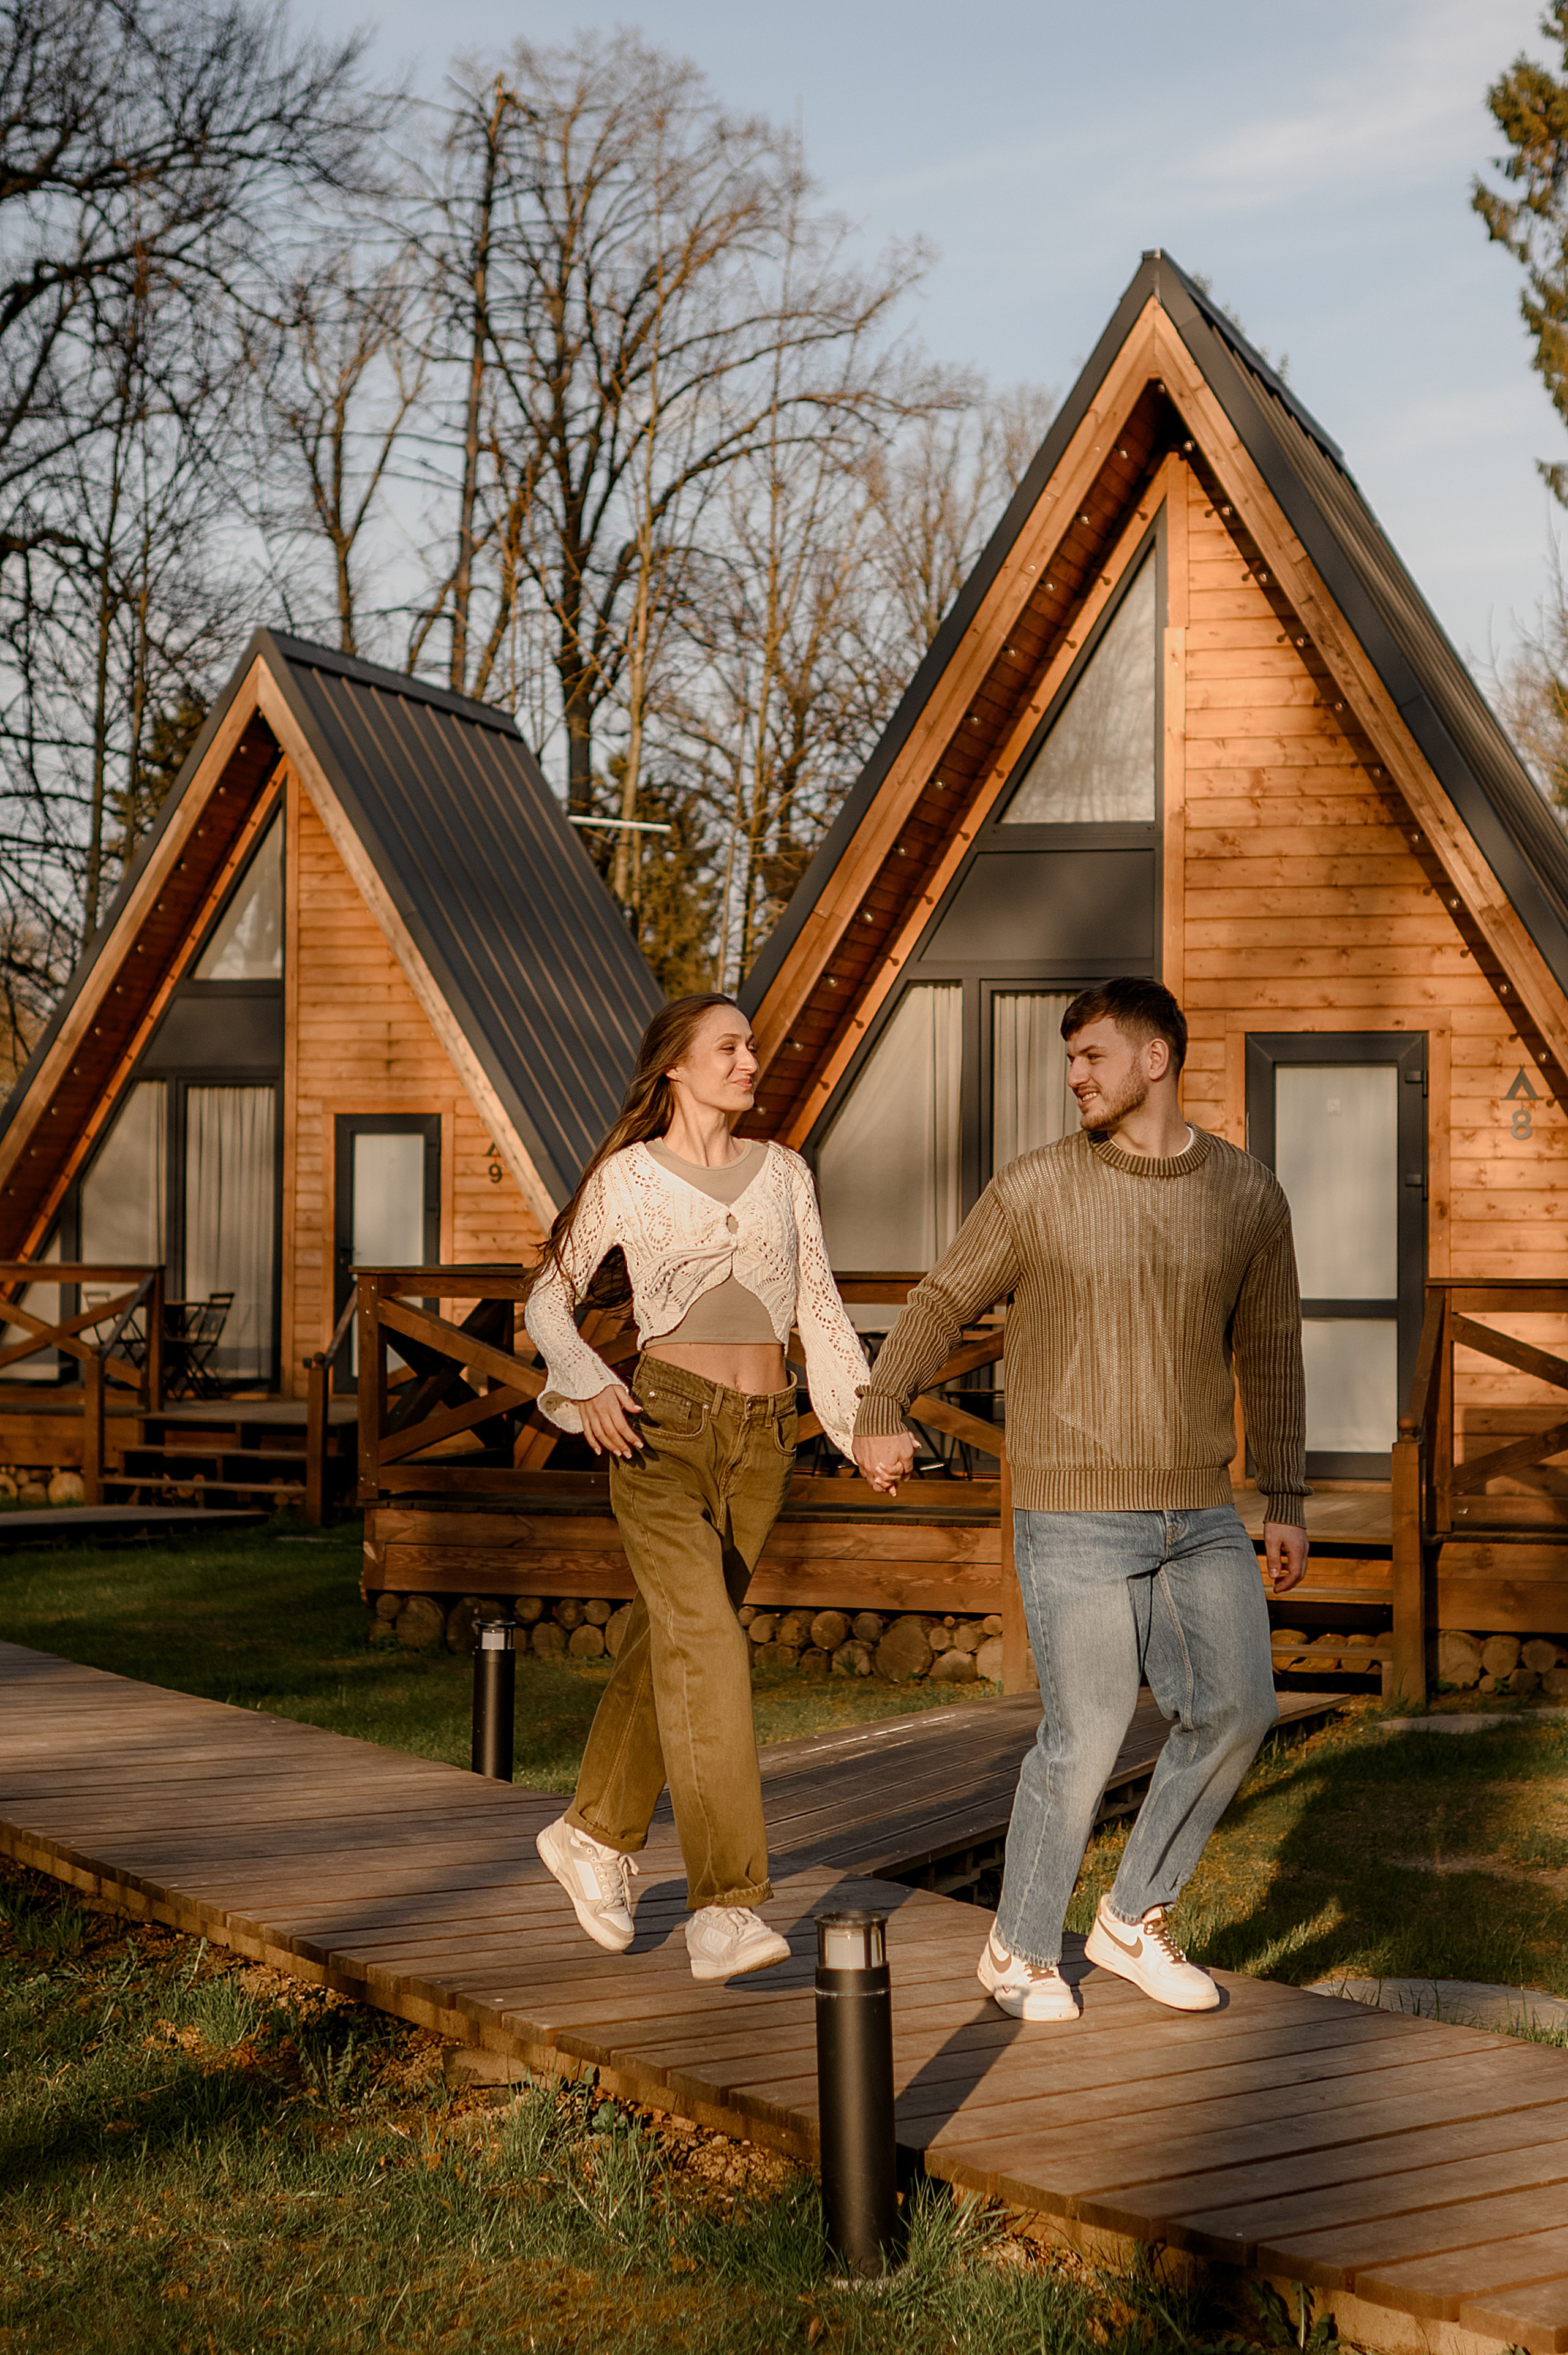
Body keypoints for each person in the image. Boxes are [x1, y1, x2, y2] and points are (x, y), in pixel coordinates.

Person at [852, 977, 1309, 2021]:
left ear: (1157, 1058)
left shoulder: (1248, 1195)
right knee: (1091, 1727)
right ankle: (1017, 1950)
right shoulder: (1038, 1189)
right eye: (1070, 1062)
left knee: (1241, 1707)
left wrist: (1284, 1494)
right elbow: (941, 1297)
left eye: (1091, 1058)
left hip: (1200, 1512)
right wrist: (884, 1402)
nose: (1075, 1079)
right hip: (1074, 1513)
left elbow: (1272, 1348)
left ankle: (1131, 1916)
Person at [524, 993, 870, 1984]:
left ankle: (592, 1837)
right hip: (659, 1435)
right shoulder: (628, 1179)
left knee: (670, 1641)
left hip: (763, 1444)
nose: (750, 1058)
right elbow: (549, 1296)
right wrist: (588, 1381)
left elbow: (822, 1312)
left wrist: (861, 1431)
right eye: (729, 1046)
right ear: (674, 1065)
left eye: (754, 1045)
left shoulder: (787, 1175)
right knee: (710, 1639)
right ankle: (727, 1904)